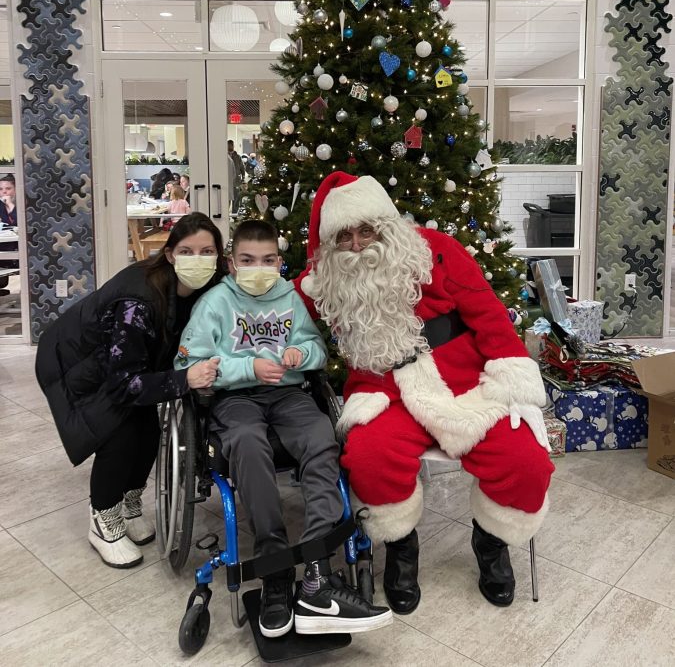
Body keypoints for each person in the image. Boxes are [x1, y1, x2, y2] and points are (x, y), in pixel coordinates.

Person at [297, 172, 554, 612]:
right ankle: (401, 548)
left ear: (386, 225)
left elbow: (490, 315)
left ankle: (492, 543)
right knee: (367, 457)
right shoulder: (326, 279)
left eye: (367, 230)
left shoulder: (436, 250)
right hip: (385, 391)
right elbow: (278, 314)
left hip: (464, 384)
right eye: (344, 236)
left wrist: (510, 376)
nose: (357, 245)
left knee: (525, 461)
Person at [175, 219, 392, 639]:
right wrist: (246, 367)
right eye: (248, 260)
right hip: (235, 398)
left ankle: (316, 574)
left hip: (290, 396)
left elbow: (317, 348)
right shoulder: (215, 304)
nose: (259, 267)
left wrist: (300, 353)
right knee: (248, 445)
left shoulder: (291, 297)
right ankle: (274, 567)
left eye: (268, 260)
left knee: (320, 438)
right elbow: (189, 365)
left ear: (279, 260)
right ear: (232, 263)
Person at [35, 213, 226, 569]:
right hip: (76, 360)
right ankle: (103, 518)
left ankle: (131, 504)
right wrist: (185, 379)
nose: (198, 259)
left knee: (148, 428)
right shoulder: (139, 300)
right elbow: (125, 383)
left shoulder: (213, 284)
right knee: (118, 431)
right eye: (187, 251)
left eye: (207, 251)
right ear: (170, 255)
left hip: (130, 361)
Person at [0, 174, 18, 296]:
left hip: (16, 245)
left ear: (16, 189)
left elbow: (21, 223)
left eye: (8, 188)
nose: (4, 191)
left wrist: (10, 205)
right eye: (1, 189)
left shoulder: (23, 202)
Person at [228, 140, 245, 213]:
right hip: (227, 182)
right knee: (227, 200)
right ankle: (226, 215)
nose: (230, 146)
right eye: (229, 145)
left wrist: (243, 178)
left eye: (232, 145)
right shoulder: (224, 156)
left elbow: (242, 168)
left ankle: (234, 215)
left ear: (233, 145)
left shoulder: (238, 157)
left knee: (236, 199)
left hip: (236, 182)